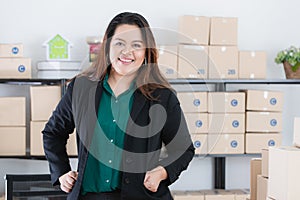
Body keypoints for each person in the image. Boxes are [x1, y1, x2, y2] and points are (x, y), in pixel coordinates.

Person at [43, 12, 195, 200]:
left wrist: (162, 173)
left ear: (146, 51)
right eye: (119, 43)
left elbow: (183, 148)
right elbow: (53, 133)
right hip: (88, 195)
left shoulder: (162, 97)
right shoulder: (81, 88)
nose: (127, 52)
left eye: (136, 45)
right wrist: (61, 171)